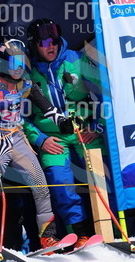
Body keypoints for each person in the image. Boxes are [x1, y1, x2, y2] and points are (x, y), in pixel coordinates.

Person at [0, 38, 76, 250]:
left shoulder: (27, 84)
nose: (19, 68)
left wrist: (62, 121)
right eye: (14, 63)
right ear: (3, 63)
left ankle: (47, 237)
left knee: (40, 184)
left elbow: (47, 108)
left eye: (22, 63)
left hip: (18, 138)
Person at [24, 19, 106, 247]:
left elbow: (106, 91)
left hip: (84, 132)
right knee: (60, 183)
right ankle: (80, 234)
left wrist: (96, 126)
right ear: (34, 46)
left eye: (54, 41)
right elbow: (19, 115)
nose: (50, 46)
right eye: (43, 43)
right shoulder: (27, 71)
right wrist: (40, 139)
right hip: (53, 138)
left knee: (103, 178)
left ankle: (110, 229)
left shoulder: (77, 60)